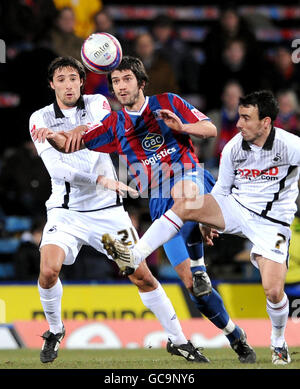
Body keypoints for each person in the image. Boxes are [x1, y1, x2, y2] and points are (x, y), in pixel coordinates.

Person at [33, 56, 256, 364]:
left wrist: (183, 126)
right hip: (141, 205)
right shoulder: (111, 124)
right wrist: (55, 138)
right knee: (196, 291)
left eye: (126, 80)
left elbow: (210, 129)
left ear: (141, 82)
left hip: (183, 183)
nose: (121, 86)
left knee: (185, 197)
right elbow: (72, 145)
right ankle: (235, 335)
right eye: (115, 82)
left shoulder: (167, 102)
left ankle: (183, 260)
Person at [98, 90, 295, 365]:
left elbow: (208, 129)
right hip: (233, 209)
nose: (237, 124)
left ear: (266, 122)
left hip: (271, 223)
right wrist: (207, 217)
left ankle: (278, 341)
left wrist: (182, 127)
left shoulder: (291, 146)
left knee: (273, 291)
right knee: (195, 281)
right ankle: (138, 255)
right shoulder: (233, 148)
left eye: (246, 118)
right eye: (238, 117)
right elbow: (222, 192)